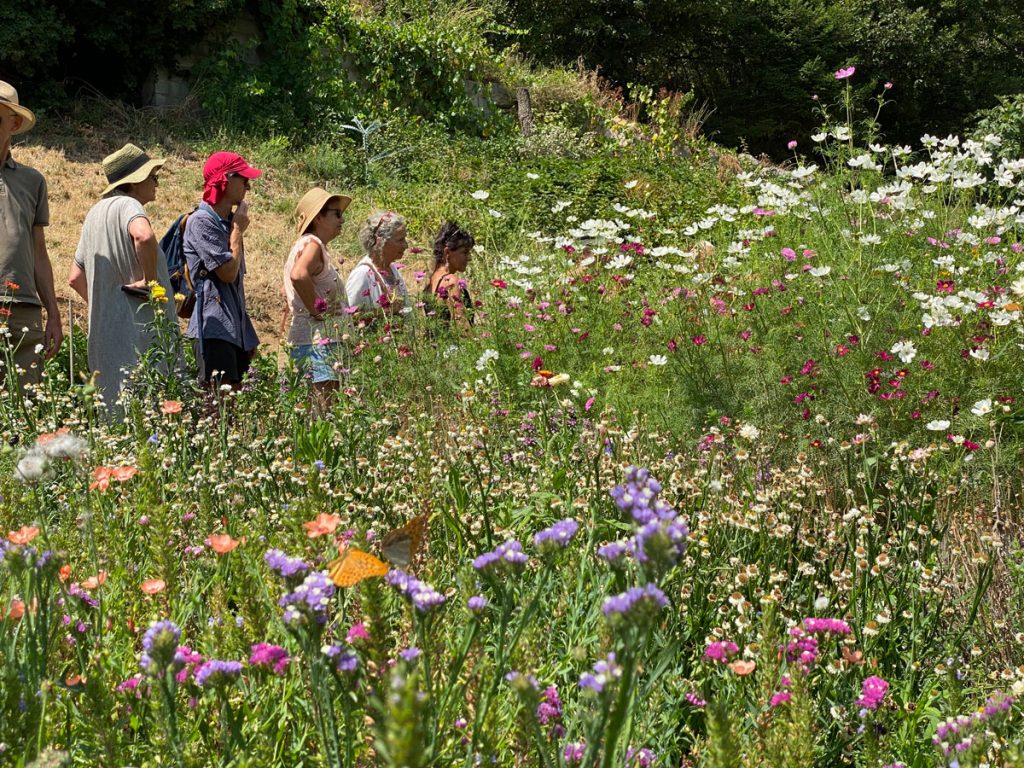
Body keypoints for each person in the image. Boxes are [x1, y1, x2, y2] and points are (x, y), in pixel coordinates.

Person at [68, 144, 177, 413]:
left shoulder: (94, 214)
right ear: (134, 181)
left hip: (105, 336)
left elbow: (75, 277)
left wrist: (106, 304)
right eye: (153, 177)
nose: (157, 183)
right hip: (140, 332)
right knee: (152, 411)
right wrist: (151, 283)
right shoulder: (129, 204)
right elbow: (144, 236)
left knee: (115, 413)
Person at [0, 80, 63, 386]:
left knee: (25, 404)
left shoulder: (32, 181)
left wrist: (54, 313)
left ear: (14, 124)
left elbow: (39, 252)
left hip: (24, 309)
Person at [184, 151, 261, 389]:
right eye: (243, 178)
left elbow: (234, 286)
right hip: (213, 330)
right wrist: (237, 231)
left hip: (232, 330)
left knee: (236, 404)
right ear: (225, 179)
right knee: (219, 404)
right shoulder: (201, 221)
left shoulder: (227, 222)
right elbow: (227, 273)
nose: (248, 185)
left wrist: (245, 334)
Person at [283, 187, 352, 403]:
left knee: (309, 410)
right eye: (337, 214)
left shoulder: (303, 246)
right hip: (319, 343)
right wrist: (318, 310)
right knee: (323, 410)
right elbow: (298, 275)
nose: (342, 220)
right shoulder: (313, 245)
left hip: (306, 340)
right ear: (319, 218)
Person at [345, 210, 411, 324]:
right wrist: (385, 312)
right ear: (381, 241)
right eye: (400, 240)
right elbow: (350, 318)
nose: (406, 245)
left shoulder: (392, 269)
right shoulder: (362, 275)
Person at [425, 221, 476, 333]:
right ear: (447, 252)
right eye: (465, 252)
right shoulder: (451, 282)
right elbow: (463, 328)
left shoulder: (432, 281)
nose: (469, 258)